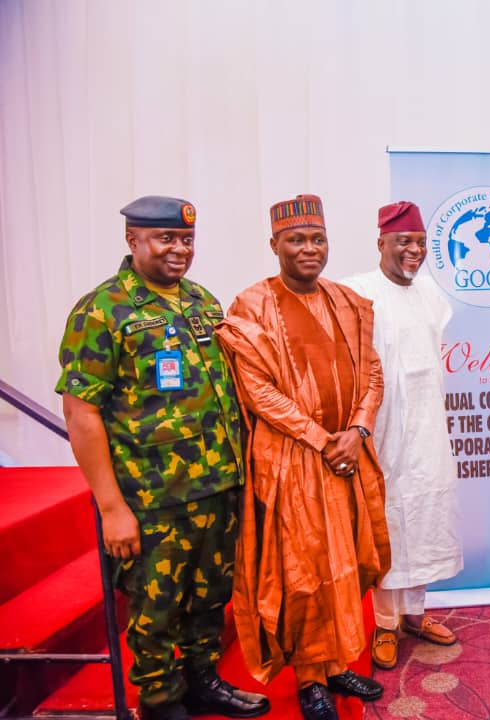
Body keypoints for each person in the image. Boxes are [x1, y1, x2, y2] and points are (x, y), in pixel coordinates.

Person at [56, 196, 269, 720]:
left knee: (210, 598)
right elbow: (81, 412)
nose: (179, 249)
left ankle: (202, 682)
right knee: (155, 609)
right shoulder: (102, 310)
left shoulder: (201, 301)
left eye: (186, 240)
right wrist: (111, 507)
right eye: (165, 238)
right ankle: (159, 701)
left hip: (218, 486)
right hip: (152, 500)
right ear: (133, 241)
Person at [215, 195, 391, 720]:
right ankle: (312, 680)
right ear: (275, 246)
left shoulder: (349, 302)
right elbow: (259, 392)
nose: (308, 249)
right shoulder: (251, 307)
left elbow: (373, 374)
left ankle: (337, 665)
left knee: (346, 563)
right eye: (296, 240)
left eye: (317, 239)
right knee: (304, 572)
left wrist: (357, 430)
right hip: (293, 461)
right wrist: (323, 439)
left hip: (348, 456)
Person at [341, 201, 463, 671]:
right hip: (382, 427)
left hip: (429, 426)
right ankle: (386, 623)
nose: (413, 251)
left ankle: (415, 614)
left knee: (426, 512)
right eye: (403, 243)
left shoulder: (432, 294)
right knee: (388, 520)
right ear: (381, 244)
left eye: (419, 243)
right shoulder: (357, 292)